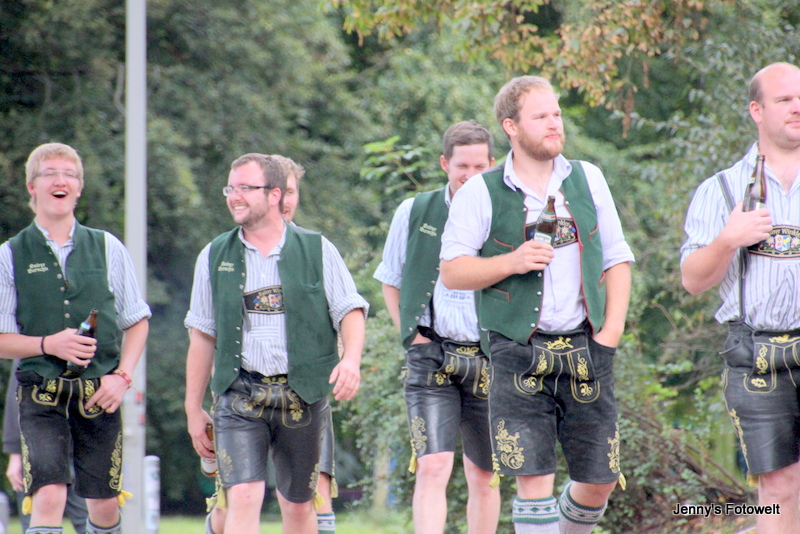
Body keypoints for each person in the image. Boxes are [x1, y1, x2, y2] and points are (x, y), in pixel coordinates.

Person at [439, 77, 634, 534]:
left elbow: (617, 258)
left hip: (588, 346)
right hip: (517, 350)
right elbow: (452, 271)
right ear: (511, 126)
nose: (554, 124)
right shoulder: (481, 191)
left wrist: (611, 333)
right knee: (534, 478)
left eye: (557, 114)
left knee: (599, 480)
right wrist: (512, 261)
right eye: (541, 116)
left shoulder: (587, 178)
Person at [184, 153, 368, 534]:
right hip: (239, 394)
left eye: (244, 188)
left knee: (300, 508)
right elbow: (203, 335)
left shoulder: (317, 249)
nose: (234, 196)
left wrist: (351, 360)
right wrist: (192, 407)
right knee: (244, 495)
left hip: (303, 394)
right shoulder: (214, 254)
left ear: (274, 195)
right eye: (230, 188)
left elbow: (350, 310)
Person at [0, 142, 151, 534]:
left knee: (102, 503)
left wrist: (122, 377)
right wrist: (48, 344)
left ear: (79, 188)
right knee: (49, 494)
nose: (60, 181)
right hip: (40, 394)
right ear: (33, 186)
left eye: (69, 174)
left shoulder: (107, 247)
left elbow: (137, 321)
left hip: (99, 392)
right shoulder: (9, 255)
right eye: (50, 173)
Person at [680, 62, 800, 533]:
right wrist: (728, 239)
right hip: (757, 354)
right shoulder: (722, 189)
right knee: (779, 487)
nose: (797, 107)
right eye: (784, 99)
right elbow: (692, 279)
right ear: (756, 110)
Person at [373, 120, 500, 533]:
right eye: (462, 165)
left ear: (493, 165)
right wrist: (409, 334)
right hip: (431, 354)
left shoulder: (507, 213)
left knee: (484, 473)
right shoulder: (414, 210)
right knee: (432, 465)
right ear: (446, 163)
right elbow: (389, 279)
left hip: (489, 356)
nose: (470, 175)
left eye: (480, 166)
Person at [4, 362, 89, 534]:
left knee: (91, 521)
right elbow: (16, 396)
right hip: (38, 449)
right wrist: (15, 453)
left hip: (81, 447)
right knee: (37, 522)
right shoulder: (31, 341)